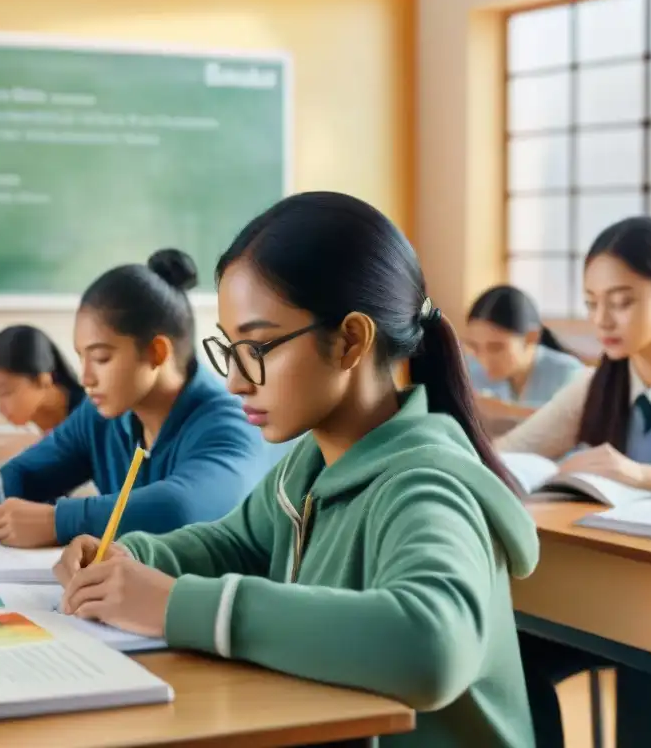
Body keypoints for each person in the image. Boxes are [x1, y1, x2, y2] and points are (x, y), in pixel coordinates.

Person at [53, 192, 540, 748]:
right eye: (230, 349)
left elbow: (432, 645)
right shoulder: (305, 469)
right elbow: (228, 545)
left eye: (258, 346)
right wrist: (127, 557)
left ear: (352, 340)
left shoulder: (427, 485)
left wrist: (173, 606)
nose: (236, 381)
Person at [0, 248, 267, 548]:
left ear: (157, 353)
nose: (85, 378)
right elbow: (28, 473)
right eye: (81, 358)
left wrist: (58, 521)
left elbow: (180, 508)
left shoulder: (232, 419)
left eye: (100, 358)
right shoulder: (100, 415)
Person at [497, 215, 651, 747]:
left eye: (622, 300)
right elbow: (510, 453)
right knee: (505, 655)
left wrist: (640, 474)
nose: (602, 319)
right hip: (610, 594)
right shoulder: (600, 382)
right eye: (591, 302)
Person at [464, 285, 583, 406]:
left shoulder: (568, 374)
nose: (484, 360)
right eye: (474, 346)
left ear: (530, 338)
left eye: (496, 348)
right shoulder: (469, 370)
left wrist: (501, 410)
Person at [0, 325, 85, 433]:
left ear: (43, 380)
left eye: (5, 392)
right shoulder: (42, 419)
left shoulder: (91, 418)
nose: (0, 409)